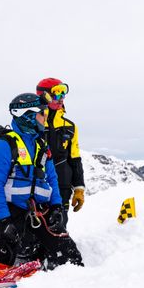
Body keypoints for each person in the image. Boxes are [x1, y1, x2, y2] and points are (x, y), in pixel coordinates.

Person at [0, 93, 83, 269]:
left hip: (41, 210)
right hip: (12, 212)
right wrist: (4, 221)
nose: (45, 120)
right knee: (14, 257)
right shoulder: (3, 145)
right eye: (42, 114)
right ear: (28, 116)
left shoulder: (40, 144)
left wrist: (56, 207)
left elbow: (52, 178)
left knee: (71, 255)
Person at [36, 78, 85, 217]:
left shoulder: (70, 127)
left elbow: (75, 159)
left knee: (59, 226)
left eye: (63, 94)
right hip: (37, 186)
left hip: (63, 186)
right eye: (56, 94)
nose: (61, 98)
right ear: (44, 96)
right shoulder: (32, 125)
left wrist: (79, 188)